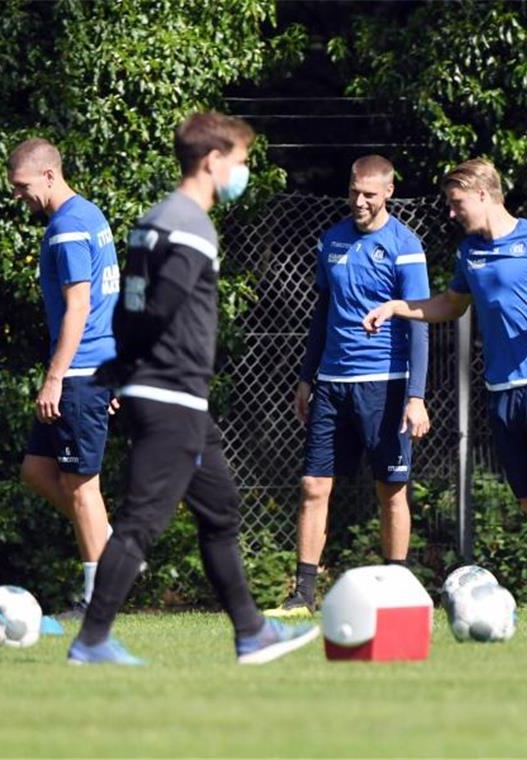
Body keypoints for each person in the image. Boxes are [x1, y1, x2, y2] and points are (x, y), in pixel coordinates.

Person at [68, 112, 319, 665]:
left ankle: (251, 631)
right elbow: (159, 308)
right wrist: (141, 369)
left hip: (173, 398)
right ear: (213, 161)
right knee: (140, 521)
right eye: (242, 162)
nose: (243, 172)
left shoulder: (152, 220)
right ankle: (91, 640)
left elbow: (127, 309)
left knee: (221, 510)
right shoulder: (193, 226)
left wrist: (123, 365)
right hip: (173, 395)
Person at [364, 158, 527, 616]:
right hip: (502, 388)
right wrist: (398, 306)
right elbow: (450, 305)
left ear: (483, 194)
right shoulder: (469, 253)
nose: (452, 213)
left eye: (457, 203)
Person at [268, 154, 431, 618]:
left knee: (391, 490)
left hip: (385, 385)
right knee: (313, 485)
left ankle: (397, 588)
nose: (359, 201)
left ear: (388, 193)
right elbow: (322, 312)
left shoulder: (405, 245)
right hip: (332, 385)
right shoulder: (332, 239)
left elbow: (419, 322)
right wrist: (306, 377)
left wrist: (415, 397)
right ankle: (303, 594)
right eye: (354, 191)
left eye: (369, 194)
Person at [7, 138, 120, 620]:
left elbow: (80, 306)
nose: (19, 197)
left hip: (77, 372)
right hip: (90, 368)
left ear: (49, 175)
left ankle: (99, 596)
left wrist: (55, 377)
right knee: (37, 470)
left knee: (81, 486)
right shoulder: (87, 216)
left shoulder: (70, 226)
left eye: (23, 187)